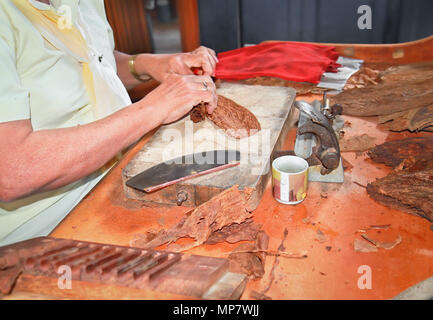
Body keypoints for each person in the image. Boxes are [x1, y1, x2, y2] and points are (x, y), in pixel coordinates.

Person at [0, 0, 218, 245]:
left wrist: (147, 64)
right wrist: (152, 109)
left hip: (122, 172)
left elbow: (92, 61)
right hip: (48, 231)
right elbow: (12, 171)